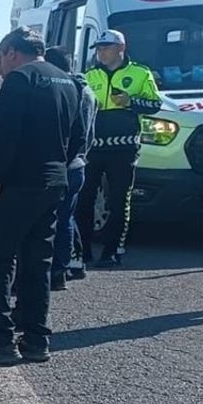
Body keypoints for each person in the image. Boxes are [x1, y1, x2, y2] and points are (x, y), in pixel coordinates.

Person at [0, 28, 82, 365]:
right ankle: (36, 338)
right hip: (55, 180)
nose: (0, 67)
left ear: (11, 51)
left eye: (0, 59)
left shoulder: (20, 79)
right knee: (38, 260)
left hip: (17, 184)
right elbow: (78, 136)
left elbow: (4, 133)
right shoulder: (68, 81)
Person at [75, 29, 161, 268]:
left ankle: (113, 251)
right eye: (99, 48)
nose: (101, 53)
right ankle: (82, 251)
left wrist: (131, 102)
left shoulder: (140, 73)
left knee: (119, 200)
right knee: (84, 199)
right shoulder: (89, 75)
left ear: (120, 48)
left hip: (124, 147)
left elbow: (155, 104)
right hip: (93, 147)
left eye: (106, 48)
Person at [43, 47, 96, 291]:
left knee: (53, 219)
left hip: (64, 162)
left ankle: (56, 270)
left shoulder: (64, 89)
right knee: (67, 217)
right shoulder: (88, 90)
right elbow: (90, 132)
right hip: (80, 162)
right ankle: (71, 265)